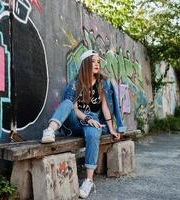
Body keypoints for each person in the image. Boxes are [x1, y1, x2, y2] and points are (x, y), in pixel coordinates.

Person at [41, 50, 126, 198]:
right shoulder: (75, 84)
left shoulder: (101, 84)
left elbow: (105, 108)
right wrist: (87, 118)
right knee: (68, 102)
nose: (97, 64)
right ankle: (49, 130)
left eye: (98, 61)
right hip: (75, 120)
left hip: (92, 121)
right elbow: (73, 107)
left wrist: (111, 129)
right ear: (85, 64)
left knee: (94, 135)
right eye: (93, 61)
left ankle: (89, 180)